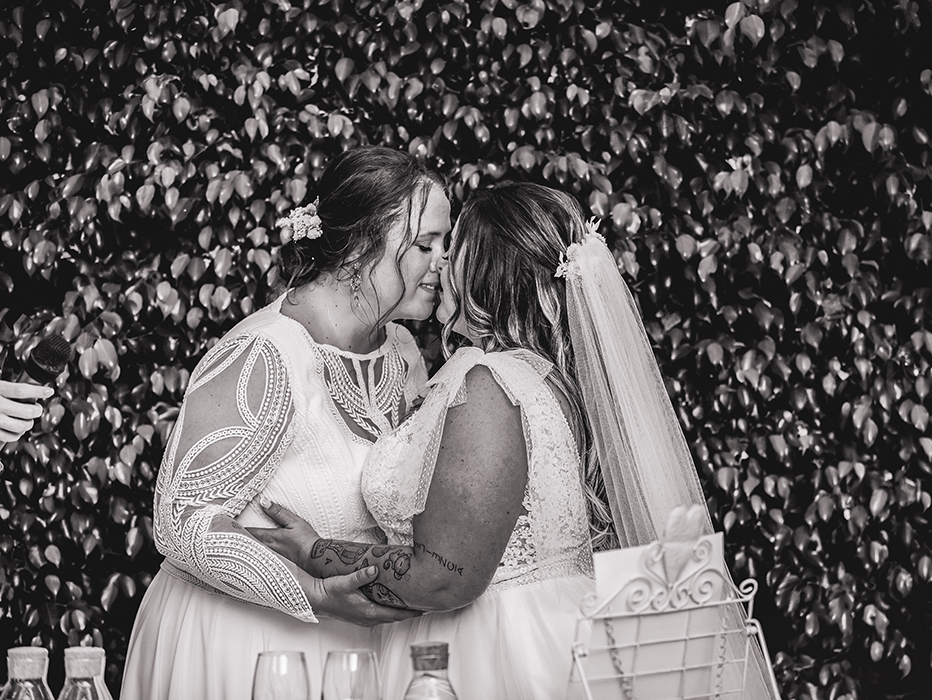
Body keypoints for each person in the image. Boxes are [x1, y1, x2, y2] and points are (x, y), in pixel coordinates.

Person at [251, 182, 728, 699]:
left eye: (454, 249)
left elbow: (444, 577)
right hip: (550, 628)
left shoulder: (491, 382)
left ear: (486, 270)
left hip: (495, 647)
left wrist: (313, 551)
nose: (439, 264)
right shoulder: (543, 379)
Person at [121, 146, 452, 700]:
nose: (443, 261)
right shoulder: (266, 353)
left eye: (445, 244)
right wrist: (311, 592)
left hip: (359, 654)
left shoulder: (401, 350)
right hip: (241, 649)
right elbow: (182, 522)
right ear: (359, 246)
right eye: (424, 245)